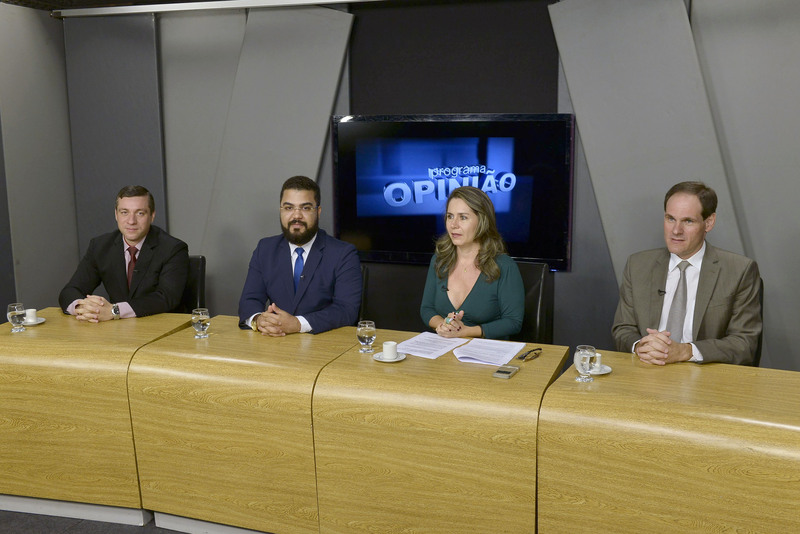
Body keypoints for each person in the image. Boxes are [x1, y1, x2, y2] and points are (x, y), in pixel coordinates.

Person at [612, 181, 762, 365]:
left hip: (704, 375)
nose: (676, 230)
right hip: (647, 368)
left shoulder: (739, 270)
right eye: (670, 219)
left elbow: (744, 343)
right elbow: (623, 329)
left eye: (688, 221)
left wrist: (686, 351)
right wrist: (640, 346)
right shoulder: (637, 265)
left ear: (709, 222)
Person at [238, 175, 362, 336]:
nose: (296, 216)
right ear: (281, 210)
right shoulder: (265, 249)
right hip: (274, 342)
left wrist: (298, 324)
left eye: (305, 208)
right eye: (289, 208)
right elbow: (249, 300)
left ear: (318, 211)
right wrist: (259, 320)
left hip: (323, 343)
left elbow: (346, 310)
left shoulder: (343, 253)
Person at [59, 185, 189, 321]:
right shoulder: (100, 246)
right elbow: (70, 291)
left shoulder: (173, 249)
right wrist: (83, 308)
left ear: (152, 216)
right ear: (116, 215)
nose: (131, 221)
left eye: (140, 213)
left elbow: (167, 298)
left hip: (161, 326)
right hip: (118, 329)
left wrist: (114, 311)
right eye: (124, 212)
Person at [420, 186, 524, 340]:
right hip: (445, 348)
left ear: (482, 221)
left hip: (487, 350)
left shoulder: (504, 265)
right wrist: (444, 325)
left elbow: (513, 322)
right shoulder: (439, 260)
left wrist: (466, 331)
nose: (453, 224)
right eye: (450, 216)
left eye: (463, 217)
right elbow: (427, 309)